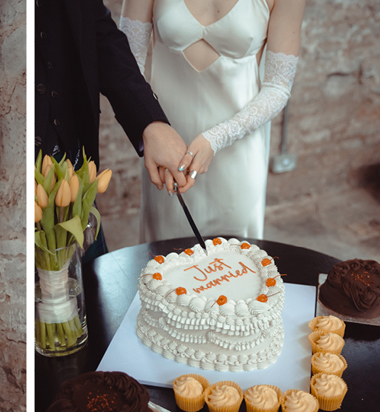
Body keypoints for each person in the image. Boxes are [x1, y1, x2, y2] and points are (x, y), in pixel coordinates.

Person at [120, 0, 306, 242]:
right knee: (164, 263)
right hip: (168, 151)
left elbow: (277, 88)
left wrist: (216, 139)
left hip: (236, 151)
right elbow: (124, 65)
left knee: (235, 263)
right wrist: (151, 130)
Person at [35, 0, 191, 261]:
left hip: (72, 167)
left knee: (91, 286)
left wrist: (151, 122)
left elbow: (101, 36)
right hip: (11, 179)